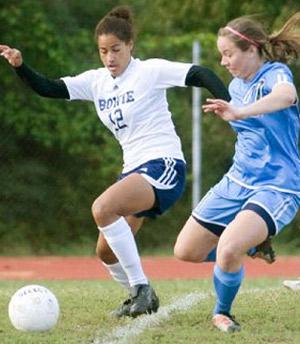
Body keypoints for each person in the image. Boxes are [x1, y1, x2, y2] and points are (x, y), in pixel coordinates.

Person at [0, 6, 233, 318]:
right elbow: (49, 88)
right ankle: (138, 296)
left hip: (163, 165)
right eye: (103, 51)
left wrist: (232, 105)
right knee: (105, 251)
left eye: (116, 50)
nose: (109, 58)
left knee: (102, 208)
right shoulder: (97, 81)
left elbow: (200, 73)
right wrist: (20, 65)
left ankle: (142, 289)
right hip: (133, 170)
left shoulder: (148, 71)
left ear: (130, 46)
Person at [174, 12, 300, 332]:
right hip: (237, 179)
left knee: (228, 248)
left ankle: (223, 312)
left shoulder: (275, 74)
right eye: (221, 55)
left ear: (252, 49)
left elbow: (287, 96)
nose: (224, 61)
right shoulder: (234, 85)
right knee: (186, 251)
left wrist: (239, 111)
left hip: (277, 185)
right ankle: (254, 247)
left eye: (229, 53)